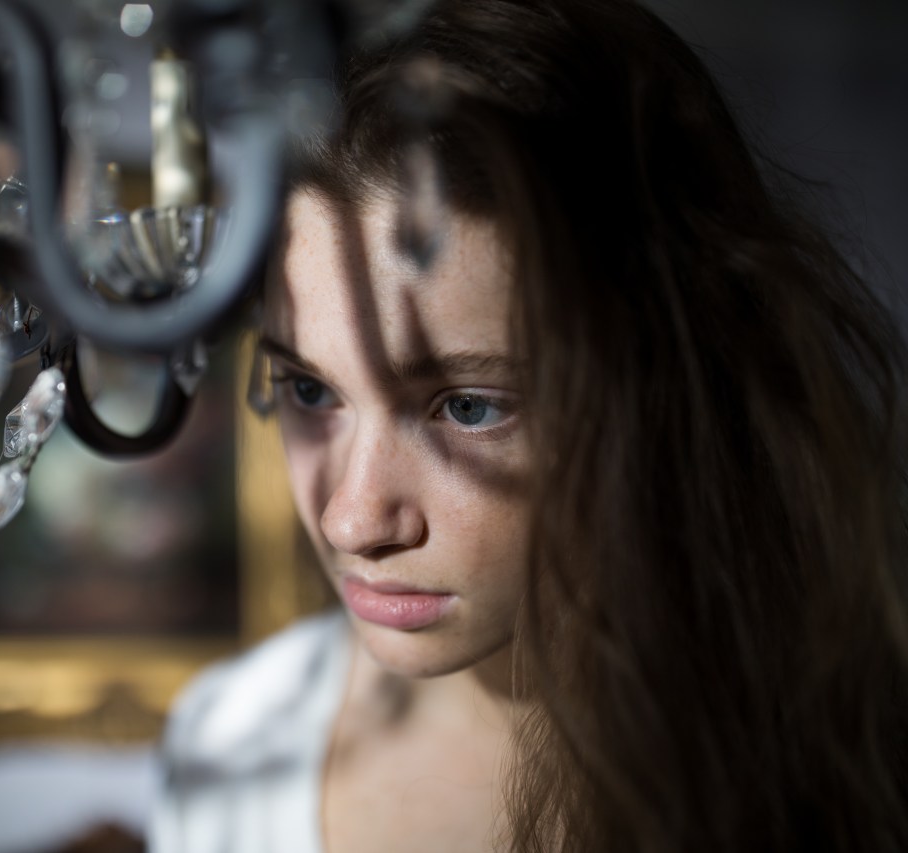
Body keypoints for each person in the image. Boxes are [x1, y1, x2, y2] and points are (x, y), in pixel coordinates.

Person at [149, 0, 908, 850]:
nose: (353, 520)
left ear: (662, 388)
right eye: (311, 392)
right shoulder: (230, 748)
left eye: (468, 407)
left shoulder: (846, 752)